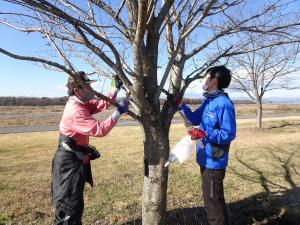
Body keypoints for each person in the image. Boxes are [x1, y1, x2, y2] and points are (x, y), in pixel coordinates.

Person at [51, 71, 128, 225]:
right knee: (69, 205)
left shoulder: (80, 103)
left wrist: (114, 89)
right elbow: (100, 130)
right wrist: (118, 112)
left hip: (73, 158)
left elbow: (101, 104)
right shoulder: (76, 111)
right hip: (69, 163)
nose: (91, 89)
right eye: (87, 86)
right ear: (77, 90)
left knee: (73, 203)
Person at [178, 66, 236, 225]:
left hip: (215, 161)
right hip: (205, 157)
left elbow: (228, 134)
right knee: (213, 200)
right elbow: (195, 118)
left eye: (206, 77)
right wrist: (180, 105)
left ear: (214, 81)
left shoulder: (224, 103)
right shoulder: (209, 100)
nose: (203, 80)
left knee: (213, 204)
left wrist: (204, 133)